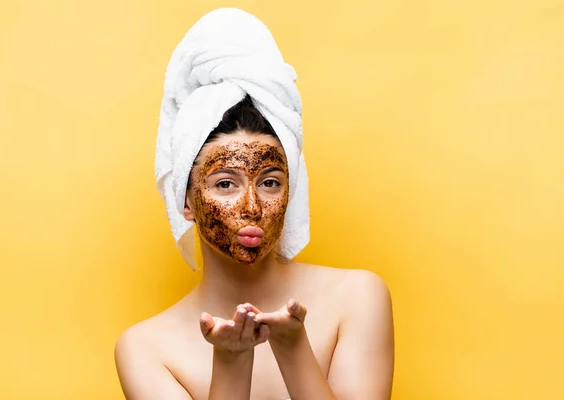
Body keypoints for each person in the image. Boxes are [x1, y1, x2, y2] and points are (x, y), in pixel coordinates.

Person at [115, 9, 394, 400]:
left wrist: (293, 348)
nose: (251, 206)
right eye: (225, 183)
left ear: (290, 193)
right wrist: (230, 362)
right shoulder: (146, 349)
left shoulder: (359, 297)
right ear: (187, 201)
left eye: (269, 182)